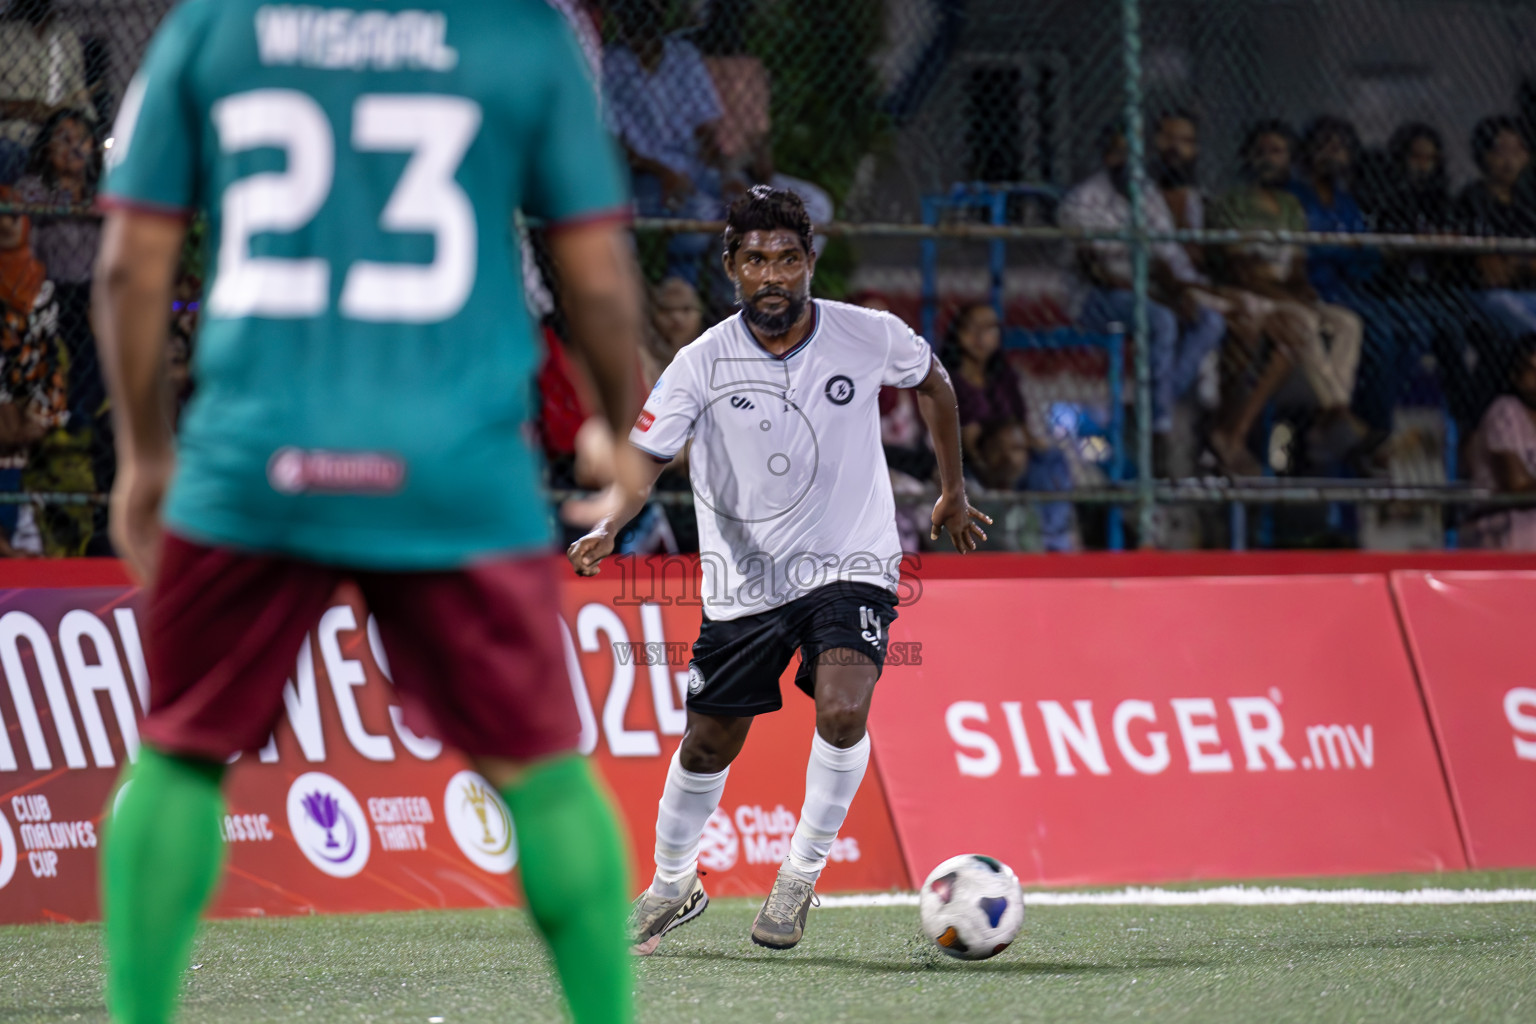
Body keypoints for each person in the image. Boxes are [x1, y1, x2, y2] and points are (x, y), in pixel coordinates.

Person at [92, 3, 646, 1023]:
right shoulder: (523, 33)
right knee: (542, 770)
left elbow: (130, 266)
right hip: (455, 468)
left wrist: (145, 455)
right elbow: (599, 277)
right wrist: (617, 420)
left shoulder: (216, 26)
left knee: (178, 751)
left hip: (254, 460)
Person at [567, 186, 988, 953]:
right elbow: (646, 462)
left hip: (852, 562)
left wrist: (953, 489)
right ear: (731, 267)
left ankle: (799, 872)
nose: (773, 274)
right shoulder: (698, 364)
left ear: (809, 264)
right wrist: (607, 527)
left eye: (788, 259)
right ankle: (672, 884)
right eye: (756, 259)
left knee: (841, 708)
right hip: (743, 587)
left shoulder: (866, 334)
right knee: (707, 744)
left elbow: (934, 382)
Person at [1060, 124, 1226, 468]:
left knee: (1209, 320)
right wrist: (1164, 299)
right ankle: (1158, 427)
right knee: (1161, 319)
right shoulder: (1083, 200)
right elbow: (1098, 272)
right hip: (1094, 299)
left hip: (1147, 293)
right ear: (1107, 157)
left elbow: (1162, 258)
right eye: (1121, 153)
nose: (1130, 162)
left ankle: (1151, 406)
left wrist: (1180, 294)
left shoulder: (1148, 195)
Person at [1209, 120, 1367, 472]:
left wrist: (1300, 291)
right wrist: (1289, 295)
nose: (1269, 159)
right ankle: (1337, 418)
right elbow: (1241, 269)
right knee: (1304, 322)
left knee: (1347, 323)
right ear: (1247, 158)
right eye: (1261, 151)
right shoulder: (1231, 203)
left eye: (1278, 152)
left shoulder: (1291, 207)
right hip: (1251, 293)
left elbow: (1295, 267)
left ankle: (1333, 410)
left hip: (1282, 292)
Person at [603, 0, 728, 287]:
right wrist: (663, 173)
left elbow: (706, 127)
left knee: (746, 205)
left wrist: (725, 175)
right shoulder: (609, 62)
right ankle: (678, 293)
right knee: (697, 215)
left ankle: (727, 303)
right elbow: (614, 141)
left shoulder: (683, 56)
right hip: (643, 174)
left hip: (693, 166)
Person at [1457, 116, 1536, 339]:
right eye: (1501, 151)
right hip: (1485, 296)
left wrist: (1517, 263)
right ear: (1484, 155)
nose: (1509, 161)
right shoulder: (1472, 200)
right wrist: (1525, 263)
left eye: (1518, 151)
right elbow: (1492, 274)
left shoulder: (1527, 203)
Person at [0, 0, 94, 184]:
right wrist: (27, 108)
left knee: (86, 152)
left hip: (58, 138)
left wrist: (79, 123)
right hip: (12, 139)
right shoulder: (4, 35)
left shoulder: (65, 37)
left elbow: (80, 97)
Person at [1465, 334, 1536, 550]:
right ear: (1515, 376)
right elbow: (1516, 485)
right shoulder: (1505, 411)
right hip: (1503, 544)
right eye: (1532, 370)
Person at [939, 301, 1026, 465]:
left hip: (1008, 450)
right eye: (973, 327)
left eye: (989, 328)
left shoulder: (1004, 377)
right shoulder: (946, 379)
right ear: (959, 332)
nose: (980, 336)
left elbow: (1020, 420)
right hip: (966, 456)